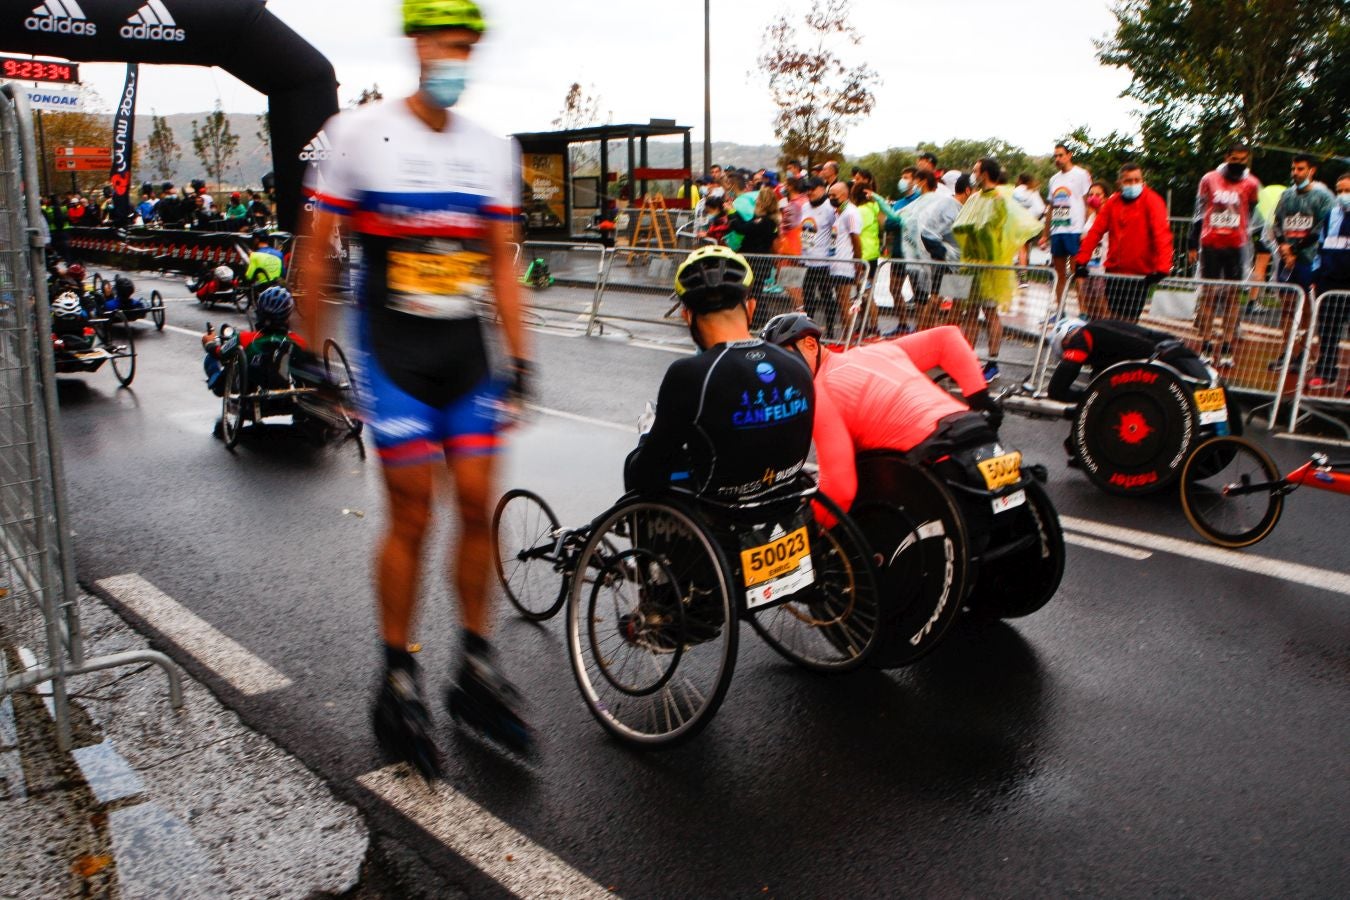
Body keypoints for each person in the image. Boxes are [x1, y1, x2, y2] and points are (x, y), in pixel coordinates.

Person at [296, 0, 532, 773]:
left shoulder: (492, 149)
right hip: (395, 352)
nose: (455, 55)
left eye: (467, 44)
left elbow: (501, 259)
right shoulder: (361, 135)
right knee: (412, 512)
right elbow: (319, 243)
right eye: (445, 41)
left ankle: (476, 657)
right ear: (418, 44)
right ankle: (397, 667)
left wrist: (521, 358)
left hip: (467, 353)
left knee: (476, 504)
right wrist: (306, 344)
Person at [759, 312, 999, 516]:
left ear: (811, 344)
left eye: (785, 358)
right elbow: (945, 339)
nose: (782, 371)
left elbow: (840, 491)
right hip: (977, 434)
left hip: (939, 464)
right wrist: (980, 399)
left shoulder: (820, 392)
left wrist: (810, 531)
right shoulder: (879, 352)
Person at [627, 246, 814, 504]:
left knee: (636, 466)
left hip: (721, 513)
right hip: (789, 502)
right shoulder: (796, 362)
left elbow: (648, 472)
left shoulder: (689, 374)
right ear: (750, 307)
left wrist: (647, 434)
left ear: (686, 315)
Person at [953, 158, 1042, 380]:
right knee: (970, 314)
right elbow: (961, 225)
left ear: (985, 173)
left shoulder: (1000, 199)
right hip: (971, 265)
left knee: (990, 313)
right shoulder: (975, 198)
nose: (972, 174)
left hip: (991, 267)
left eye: (975, 170)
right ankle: (967, 360)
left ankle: (992, 363)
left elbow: (1004, 230)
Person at [1072, 163, 1173, 322]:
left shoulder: (1153, 201)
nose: (1133, 184)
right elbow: (1095, 232)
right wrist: (1081, 260)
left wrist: (1162, 268)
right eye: (1128, 181)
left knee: (1129, 320)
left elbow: (1162, 235)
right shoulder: (1113, 204)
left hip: (1139, 273)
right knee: (1114, 317)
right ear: (1120, 183)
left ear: (1142, 180)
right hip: (1114, 271)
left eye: (1136, 180)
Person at [1191, 144, 1262, 368]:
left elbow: (1251, 214)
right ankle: (1206, 343)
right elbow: (1199, 211)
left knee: (1232, 296)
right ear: (1226, 157)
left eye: (1242, 159)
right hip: (1211, 243)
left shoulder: (1251, 184)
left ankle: (1228, 345)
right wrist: (1192, 242)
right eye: (1234, 158)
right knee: (1209, 294)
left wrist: (1251, 240)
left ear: (1247, 161)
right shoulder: (1209, 179)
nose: (1238, 163)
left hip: (1236, 246)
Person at [1268, 154, 1334, 368]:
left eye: (1300, 169)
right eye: (1294, 169)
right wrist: (1283, 247)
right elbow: (1277, 223)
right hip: (1286, 259)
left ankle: (1302, 353)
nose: (1295, 173)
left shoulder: (1323, 197)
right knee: (1286, 306)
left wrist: (1295, 249)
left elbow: (1322, 227)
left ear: (1311, 171)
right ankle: (1287, 351)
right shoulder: (1286, 195)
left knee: (1305, 306)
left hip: (1309, 258)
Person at [200, 286, 308, 398]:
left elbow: (220, 353)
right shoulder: (298, 342)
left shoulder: (244, 338)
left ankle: (215, 382)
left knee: (211, 358)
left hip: (250, 392)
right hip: (285, 394)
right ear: (287, 315)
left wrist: (209, 342)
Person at [1306, 174, 1350, 392]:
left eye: (1347, 191)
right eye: (1339, 190)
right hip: (1329, 280)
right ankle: (1325, 373)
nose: (1343, 196)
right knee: (1328, 329)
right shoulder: (1331, 214)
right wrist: (1316, 276)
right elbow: (1320, 248)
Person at [1041, 143, 1093, 316]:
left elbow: (1088, 202)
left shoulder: (1081, 175)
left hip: (1075, 229)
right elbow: (1051, 207)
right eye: (1055, 156)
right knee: (1059, 273)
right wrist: (1045, 234)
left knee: (1078, 272)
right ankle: (1060, 310)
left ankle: (1083, 311)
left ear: (1069, 155)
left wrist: (1087, 228)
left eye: (1061, 155)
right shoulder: (1053, 179)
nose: (1057, 159)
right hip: (1058, 230)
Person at [800, 176, 837, 333]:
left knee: (826, 296)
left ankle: (830, 329)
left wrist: (833, 256)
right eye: (807, 189)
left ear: (822, 189)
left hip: (824, 262)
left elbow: (835, 233)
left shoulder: (830, 208)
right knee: (808, 296)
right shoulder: (805, 207)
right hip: (807, 260)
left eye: (812, 189)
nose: (809, 192)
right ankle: (809, 329)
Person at [828, 181, 863, 335]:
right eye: (829, 195)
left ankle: (849, 333)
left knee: (844, 300)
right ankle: (846, 331)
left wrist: (857, 263)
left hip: (845, 264)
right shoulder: (838, 212)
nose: (831, 198)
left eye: (833, 195)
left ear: (844, 195)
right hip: (835, 264)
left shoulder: (851, 212)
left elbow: (856, 239)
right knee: (841, 300)